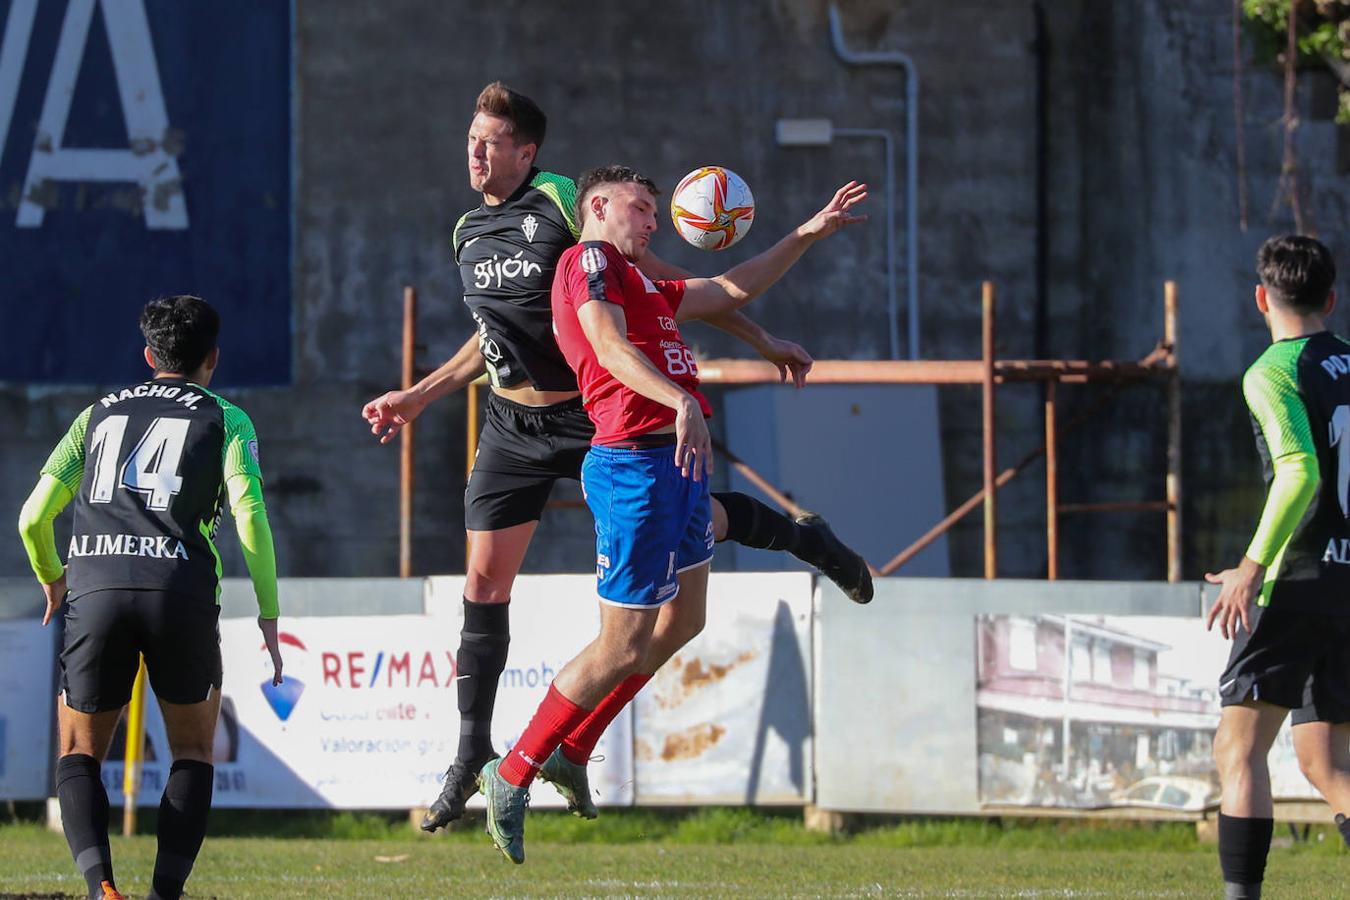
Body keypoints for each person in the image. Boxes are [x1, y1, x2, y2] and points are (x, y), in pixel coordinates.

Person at [361, 82, 873, 829]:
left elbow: (654, 285)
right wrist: (420, 393)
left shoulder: (565, 201)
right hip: (513, 422)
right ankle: (474, 753)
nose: (475, 150)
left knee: (667, 578)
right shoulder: (467, 232)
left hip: (590, 410)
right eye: (471, 137)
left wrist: (760, 339)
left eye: (491, 139)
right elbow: (493, 334)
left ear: (528, 153)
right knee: (484, 580)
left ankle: (797, 537)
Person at [474, 164, 867, 863]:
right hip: (631, 462)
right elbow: (606, 344)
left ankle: (577, 749)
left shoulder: (642, 280)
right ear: (597, 205)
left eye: (656, 212)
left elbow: (728, 289)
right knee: (621, 644)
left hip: (674, 461)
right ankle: (511, 773)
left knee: (685, 620)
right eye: (640, 207)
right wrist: (678, 398)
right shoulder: (588, 260)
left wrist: (807, 234)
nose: (652, 222)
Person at [17, 296, 284, 900]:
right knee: (192, 750)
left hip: (96, 588)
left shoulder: (96, 415)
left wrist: (54, 576)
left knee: (80, 751)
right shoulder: (227, 419)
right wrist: (268, 613)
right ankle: (164, 895)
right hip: (180, 591)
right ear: (212, 358)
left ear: (147, 356)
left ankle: (101, 887)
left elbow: (33, 518)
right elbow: (251, 522)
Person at [1205, 235, 1350, 900]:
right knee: (1325, 764)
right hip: (1349, 584)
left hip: (1295, 581)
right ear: (1331, 298)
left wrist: (1249, 566)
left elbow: (1299, 472)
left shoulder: (1273, 370)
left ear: (1262, 298)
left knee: (1239, 753)